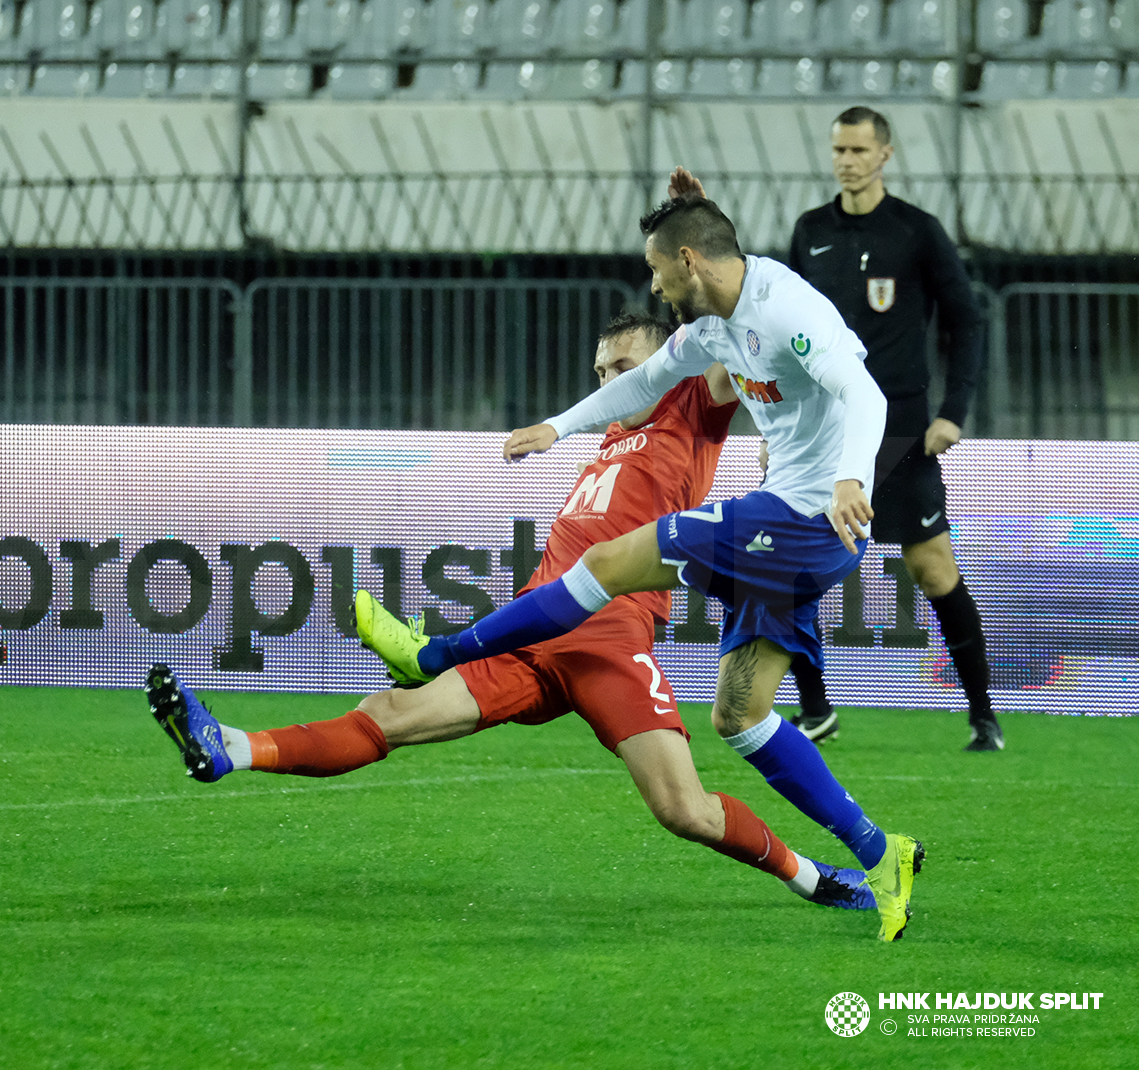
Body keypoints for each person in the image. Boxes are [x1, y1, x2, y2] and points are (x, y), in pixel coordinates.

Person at [145, 312, 879, 922]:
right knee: (389, 713)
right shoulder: (606, 441)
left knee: (683, 809)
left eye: (623, 364)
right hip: (534, 634)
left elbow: (735, 320)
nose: (608, 381)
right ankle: (229, 746)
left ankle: (812, 877)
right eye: (598, 372)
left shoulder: (694, 409)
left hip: (605, 641)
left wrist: (701, 236)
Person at [354, 194, 925, 941]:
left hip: (806, 517)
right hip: (790, 528)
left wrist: (853, 477)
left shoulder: (786, 308)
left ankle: (432, 653)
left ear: (688, 260)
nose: (653, 288)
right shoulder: (714, 327)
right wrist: (556, 427)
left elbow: (865, 392)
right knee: (740, 719)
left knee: (608, 563)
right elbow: (640, 384)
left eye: (657, 270)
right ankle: (885, 856)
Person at [787, 106, 998, 751]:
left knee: (932, 567)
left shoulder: (918, 231)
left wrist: (954, 410)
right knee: (790, 566)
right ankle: (815, 708)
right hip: (820, 430)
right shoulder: (810, 231)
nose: (846, 161)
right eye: (838, 150)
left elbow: (969, 321)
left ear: (885, 154)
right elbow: (788, 333)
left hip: (901, 427)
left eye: (858, 150)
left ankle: (983, 717)